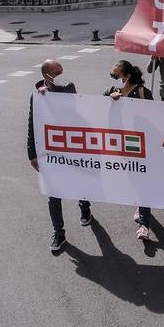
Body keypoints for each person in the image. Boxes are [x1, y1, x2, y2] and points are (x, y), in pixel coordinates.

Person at [27, 59, 92, 253]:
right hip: (50, 150)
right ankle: (59, 232)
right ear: (46, 75)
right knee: (53, 194)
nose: (62, 74)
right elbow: (32, 123)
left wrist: (51, 94)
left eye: (62, 70)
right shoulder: (37, 96)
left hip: (72, 146)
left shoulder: (68, 87)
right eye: (57, 72)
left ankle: (85, 207)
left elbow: (71, 101)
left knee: (80, 182)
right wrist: (32, 153)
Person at [105, 60, 154, 239]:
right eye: (113, 76)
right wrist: (110, 99)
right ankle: (140, 205)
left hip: (140, 143)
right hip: (121, 142)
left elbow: (153, 116)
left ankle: (144, 224)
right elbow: (98, 108)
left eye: (117, 76)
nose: (115, 79)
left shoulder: (142, 92)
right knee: (133, 178)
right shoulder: (111, 91)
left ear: (127, 76)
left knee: (143, 182)